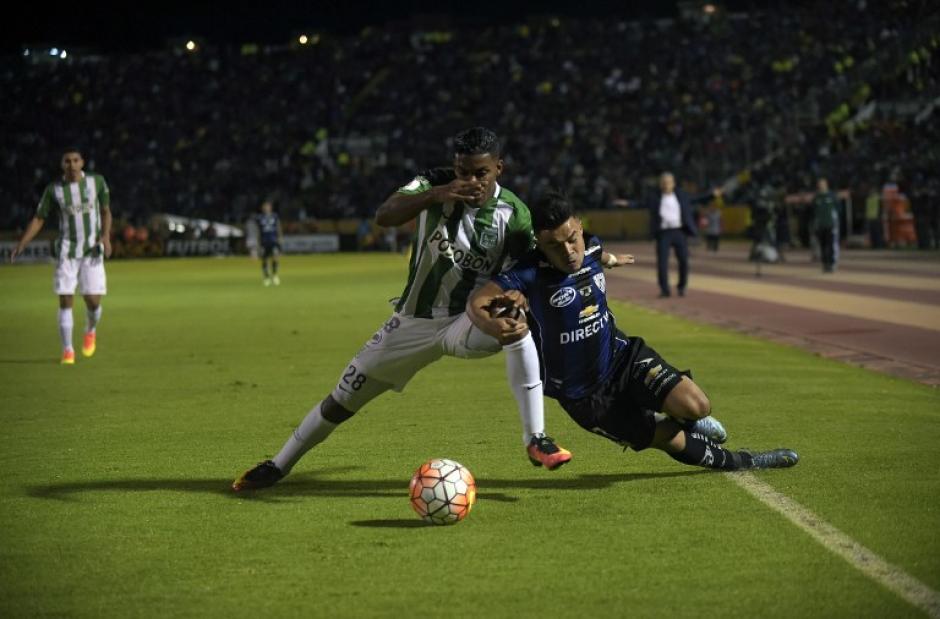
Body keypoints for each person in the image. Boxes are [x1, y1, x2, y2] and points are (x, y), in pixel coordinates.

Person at [233, 127, 571, 491]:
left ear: (498, 169)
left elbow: (529, 268)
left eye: (480, 173)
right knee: (342, 399)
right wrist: (440, 192)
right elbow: (386, 214)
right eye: (462, 171)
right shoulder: (432, 183)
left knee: (514, 322)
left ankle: (536, 438)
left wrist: (520, 292)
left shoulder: (514, 215)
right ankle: (278, 465)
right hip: (411, 322)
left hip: (465, 321)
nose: (470, 180)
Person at [467, 191, 799, 472]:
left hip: (623, 356)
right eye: (555, 246)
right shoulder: (527, 274)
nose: (569, 252)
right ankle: (743, 461)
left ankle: (693, 420)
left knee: (698, 406)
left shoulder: (591, 246)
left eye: (573, 239)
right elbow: (480, 300)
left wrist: (612, 259)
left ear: (580, 228)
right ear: (540, 244)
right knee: (668, 436)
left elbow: (597, 253)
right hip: (585, 397)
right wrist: (493, 322)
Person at [10, 148, 112, 364]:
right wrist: (22, 244)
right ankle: (68, 350)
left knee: (92, 301)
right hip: (66, 251)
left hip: (92, 249)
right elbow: (39, 218)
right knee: (66, 299)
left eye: (76, 160)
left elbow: (105, 211)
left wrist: (106, 236)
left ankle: (90, 329)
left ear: (82, 162)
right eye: (67, 161)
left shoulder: (97, 182)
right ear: (62, 165)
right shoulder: (54, 190)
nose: (72, 165)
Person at [646, 172, 716, 298]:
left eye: (668, 182)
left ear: (673, 183)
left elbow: (698, 198)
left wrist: (712, 195)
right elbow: (641, 203)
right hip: (663, 233)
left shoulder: (681, 195)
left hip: (679, 232)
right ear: (660, 184)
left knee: (684, 261)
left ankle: (682, 287)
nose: (666, 184)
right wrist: (627, 204)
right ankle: (664, 290)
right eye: (664, 182)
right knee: (662, 263)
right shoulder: (655, 197)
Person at [812, 178, 839, 272]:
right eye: (820, 184)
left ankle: (831, 264)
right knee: (822, 246)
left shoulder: (832, 196)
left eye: (823, 184)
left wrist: (835, 221)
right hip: (820, 225)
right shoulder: (817, 197)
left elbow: (838, 208)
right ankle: (825, 264)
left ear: (826, 184)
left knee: (830, 245)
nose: (821, 185)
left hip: (830, 224)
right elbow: (813, 211)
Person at [256, 201, 283, 286]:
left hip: (273, 240)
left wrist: (280, 237)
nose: (266, 208)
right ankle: (266, 277)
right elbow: (258, 231)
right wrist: (258, 242)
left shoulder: (274, 216)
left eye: (267, 206)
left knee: (275, 257)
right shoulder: (260, 218)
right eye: (265, 207)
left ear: (270, 208)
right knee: (264, 259)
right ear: (263, 208)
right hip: (264, 241)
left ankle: (275, 275)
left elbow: (278, 227)